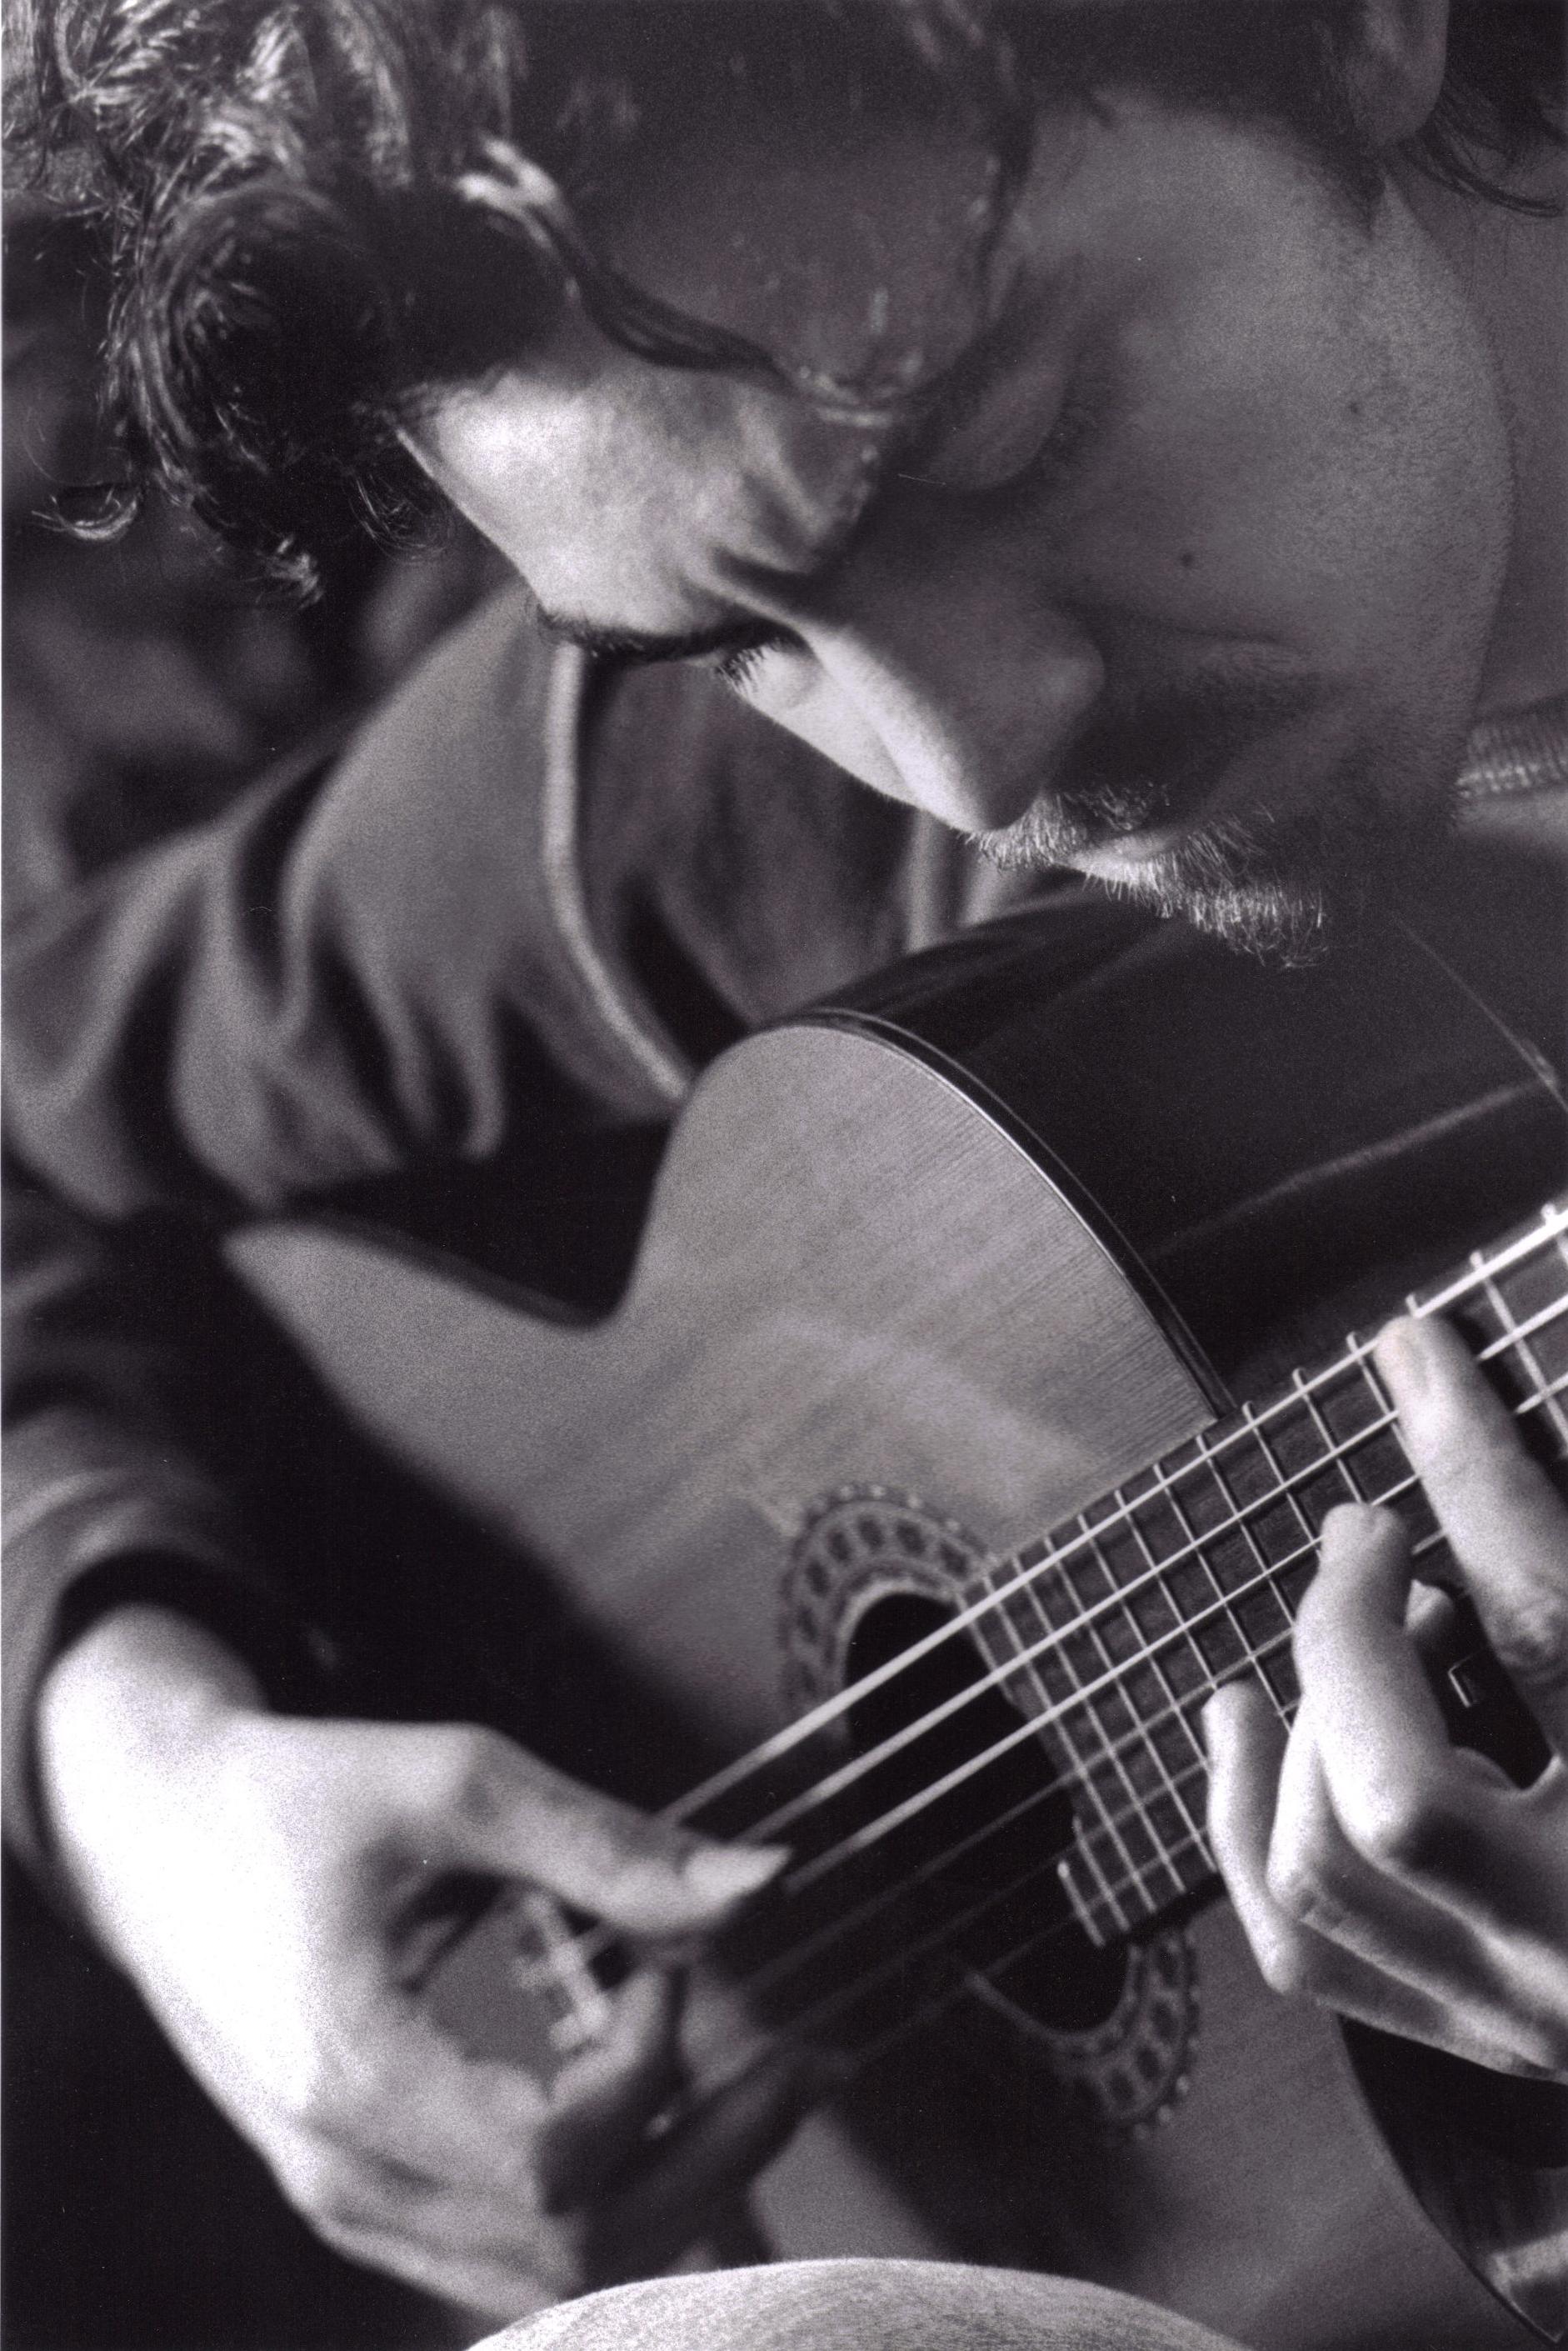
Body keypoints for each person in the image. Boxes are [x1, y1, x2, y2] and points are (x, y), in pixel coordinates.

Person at [4, 2, 1566, 2344]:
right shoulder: (725, 786)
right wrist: (143, 1772)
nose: (963, 753)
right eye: (739, 639)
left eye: (1008, 439)